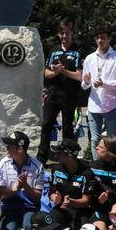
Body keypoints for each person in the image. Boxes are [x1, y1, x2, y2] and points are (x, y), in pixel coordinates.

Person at [38, 20, 82, 163]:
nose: (64, 36)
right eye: (62, 33)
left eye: (67, 33)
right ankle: (41, 159)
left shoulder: (78, 51)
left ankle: (67, 160)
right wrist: (56, 73)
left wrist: (63, 70)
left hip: (69, 96)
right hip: (53, 95)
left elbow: (79, 76)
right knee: (46, 125)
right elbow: (46, 73)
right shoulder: (53, 50)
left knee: (67, 129)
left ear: (72, 34)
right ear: (58, 34)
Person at [81, 26, 116, 152]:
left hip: (111, 104)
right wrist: (86, 81)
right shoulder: (90, 58)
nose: (100, 40)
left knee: (112, 139)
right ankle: (97, 167)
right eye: (98, 38)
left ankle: (111, 166)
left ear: (109, 39)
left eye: (103, 38)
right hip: (94, 104)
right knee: (95, 139)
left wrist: (104, 84)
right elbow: (84, 86)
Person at [0, 130, 43, 230]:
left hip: (30, 207)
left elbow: (37, 197)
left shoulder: (37, 166)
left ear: (20, 149)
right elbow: (0, 193)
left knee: (29, 227)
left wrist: (25, 186)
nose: (6, 148)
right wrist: (15, 189)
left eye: (9, 146)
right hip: (9, 207)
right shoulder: (3, 163)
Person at [48, 137, 98, 230]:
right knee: (47, 228)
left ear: (69, 156)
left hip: (80, 211)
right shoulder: (56, 169)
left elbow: (86, 201)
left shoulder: (87, 173)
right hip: (61, 209)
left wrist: (71, 201)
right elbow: (51, 191)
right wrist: (53, 197)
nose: (56, 155)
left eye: (59, 153)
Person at [88, 134, 116, 228]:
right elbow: (86, 194)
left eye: (100, 147)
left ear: (110, 151)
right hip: (97, 210)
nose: (96, 148)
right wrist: (97, 200)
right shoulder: (92, 168)